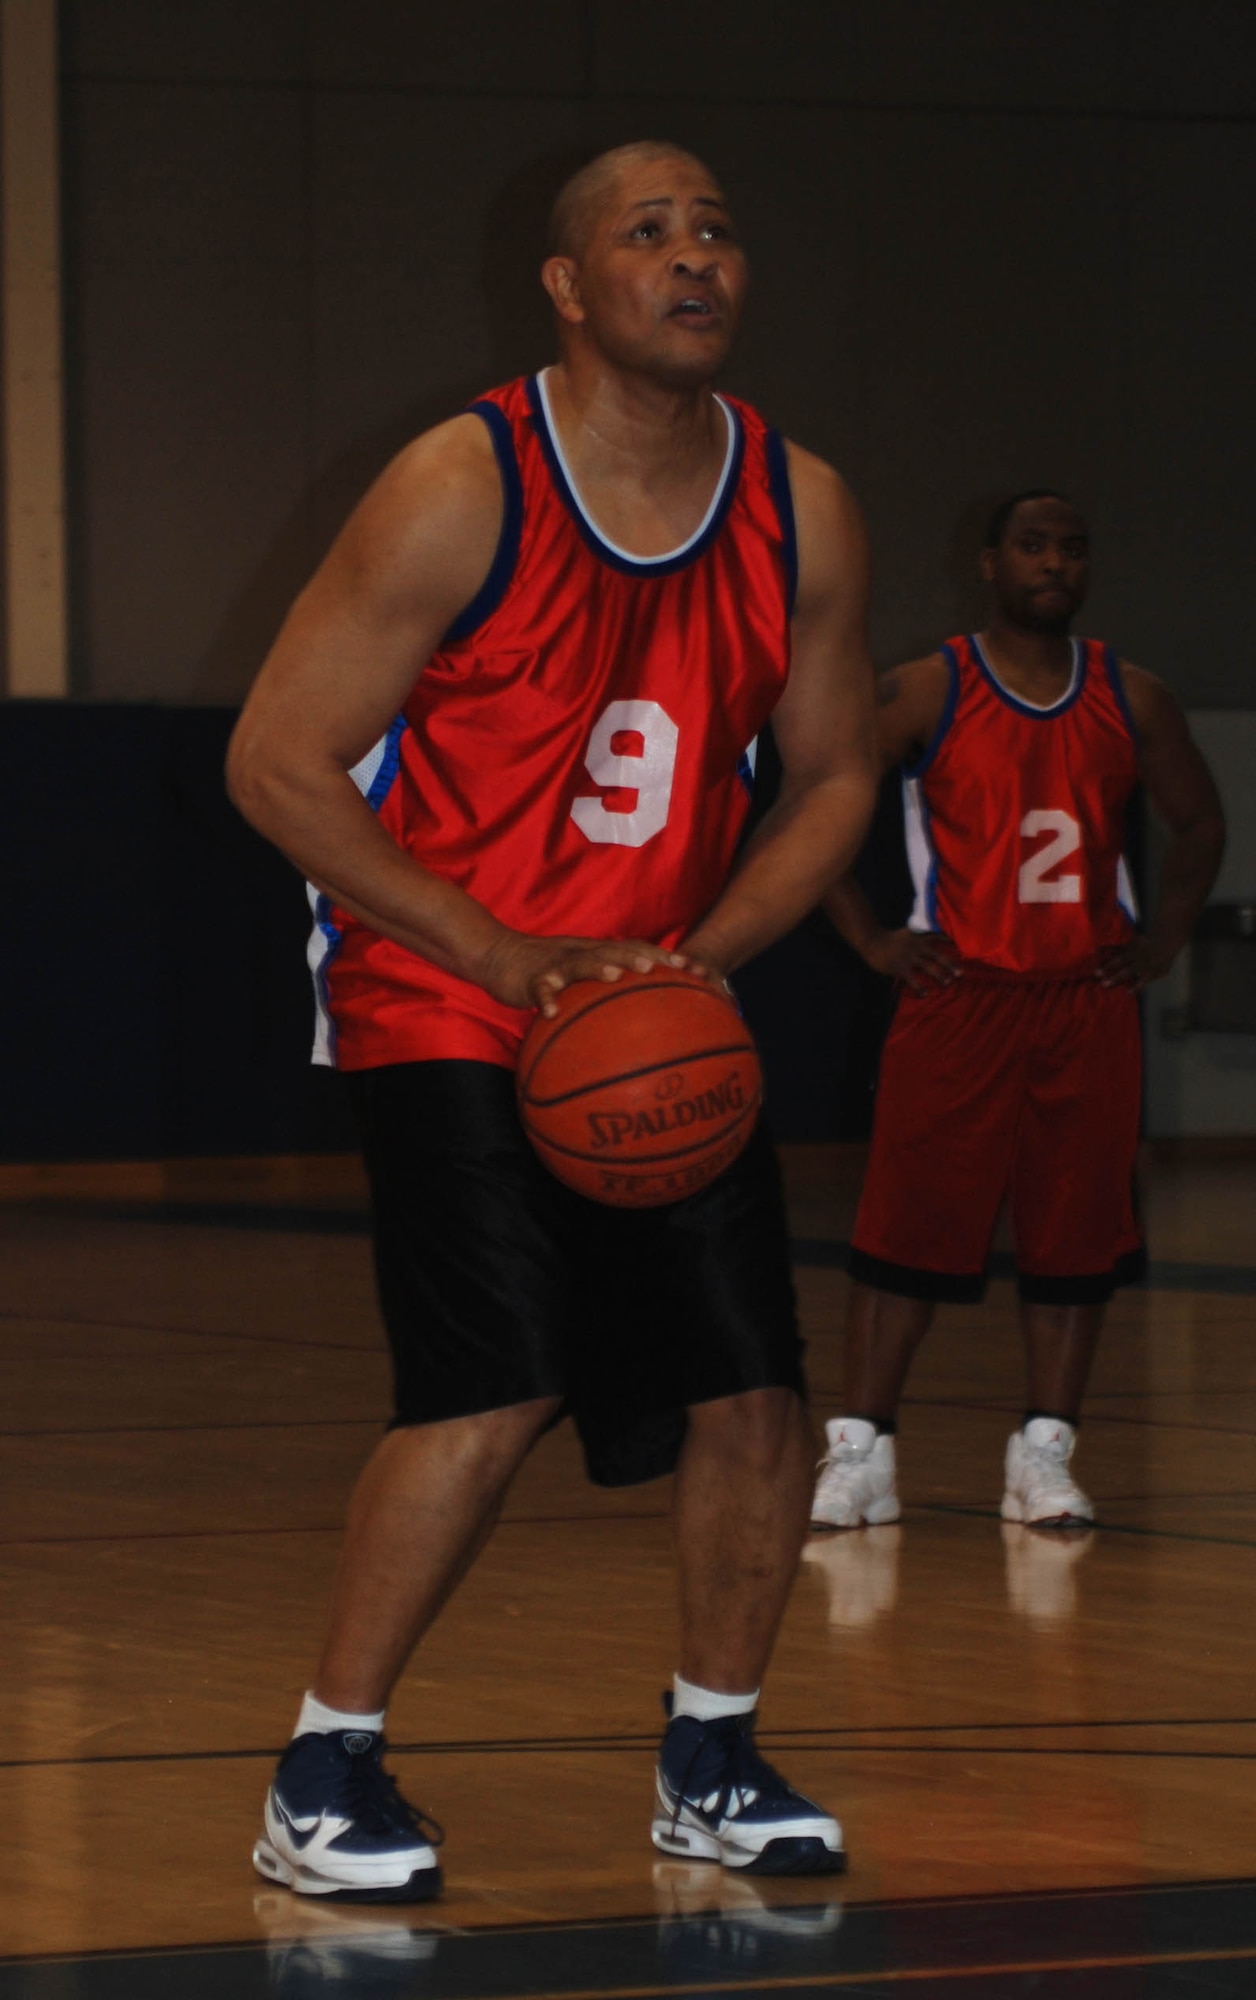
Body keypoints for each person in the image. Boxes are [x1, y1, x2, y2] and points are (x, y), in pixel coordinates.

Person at [227, 140, 877, 1900]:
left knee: (755, 1396)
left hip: (646, 1010)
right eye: (646, 234)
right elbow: (276, 762)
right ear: (569, 286)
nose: (693, 259)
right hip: (441, 985)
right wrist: (501, 950)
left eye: (718, 230)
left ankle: (711, 1757)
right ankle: (323, 1768)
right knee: (490, 1384)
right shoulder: (458, 483)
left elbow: (831, 776)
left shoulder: (798, 502)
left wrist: (702, 956)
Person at [810, 491, 1224, 1534]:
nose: (1054, 562)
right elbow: (810, 797)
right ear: (987, 562)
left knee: (1074, 1240)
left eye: (1071, 547)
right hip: (961, 998)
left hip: (1082, 1000)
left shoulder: (1133, 696)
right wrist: (867, 936)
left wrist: (1163, 940)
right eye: (1032, 545)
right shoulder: (925, 687)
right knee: (902, 1233)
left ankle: (1042, 1454)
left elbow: (1200, 820)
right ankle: (861, 1453)